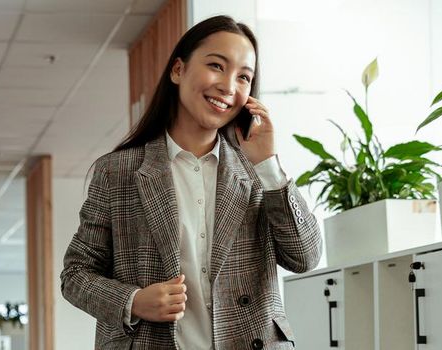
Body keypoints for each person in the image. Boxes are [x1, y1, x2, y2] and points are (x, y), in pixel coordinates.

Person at [60, 15, 321, 350]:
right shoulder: (118, 172)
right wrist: (134, 301)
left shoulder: (258, 171)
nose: (228, 86)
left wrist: (268, 166)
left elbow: (305, 257)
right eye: (216, 65)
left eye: (244, 77)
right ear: (178, 70)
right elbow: (76, 275)